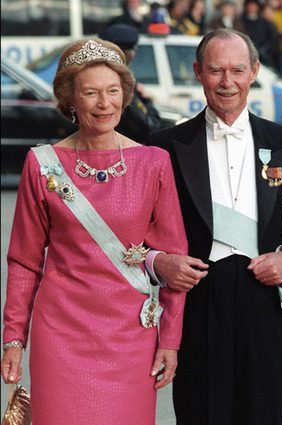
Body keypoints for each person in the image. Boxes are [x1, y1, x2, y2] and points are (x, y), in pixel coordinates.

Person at [147, 28, 282, 425]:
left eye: (237, 70)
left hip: (265, 303)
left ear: (255, 71)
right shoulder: (164, 147)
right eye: (216, 70)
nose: (227, 82)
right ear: (198, 72)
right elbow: (139, 234)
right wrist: (160, 262)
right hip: (199, 301)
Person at [0, 38, 191, 424]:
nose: (104, 103)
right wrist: (14, 339)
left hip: (130, 337)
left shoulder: (154, 163)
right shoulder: (42, 164)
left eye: (113, 91)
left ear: (126, 96)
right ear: (71, 100)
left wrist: (170, 341)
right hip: (61, 336)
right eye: (91, 93)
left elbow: (176, 264)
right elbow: (23, 261)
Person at [99, 23, 163, 143]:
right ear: (128, 54)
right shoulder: (121, 85)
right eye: (133, 49)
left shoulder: (100, 79)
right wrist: (148, 101)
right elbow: (150, 128)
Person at [242, 0, 281, 70]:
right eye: (250, 5)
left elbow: (272, 38)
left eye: (254, 5)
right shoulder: (241, 21)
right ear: (246, 7)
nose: (252, 7)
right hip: (247, 50)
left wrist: (266, 48)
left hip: (264, 52)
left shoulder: (264, 21)